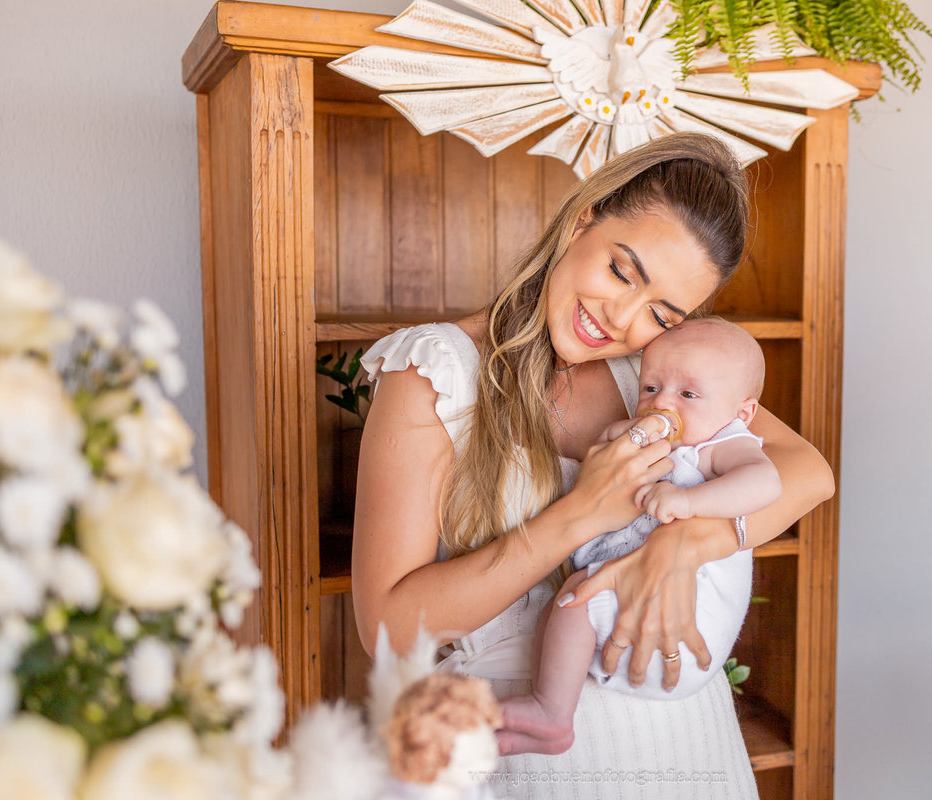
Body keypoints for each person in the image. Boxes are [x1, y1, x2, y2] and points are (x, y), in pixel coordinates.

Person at [352, 132, 835, 799]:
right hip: (525, 763)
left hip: (689, 747)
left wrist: (683, 543)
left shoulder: (658, 375)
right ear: (584, 218)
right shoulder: (434, 373)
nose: (621, 319)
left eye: (663, 312)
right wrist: (581, 515)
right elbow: (388, 632)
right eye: (621, 271)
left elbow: (809, 471)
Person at [498, 317, 782, 756]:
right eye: (650, 388)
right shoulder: (655, 437)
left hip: (688, 622)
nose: (661, 403)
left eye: (687, 394)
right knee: (575, 597)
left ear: (740, 411)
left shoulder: (723, 443)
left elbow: (766, 484)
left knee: (578, 596)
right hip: (638, 613)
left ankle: (551, 710)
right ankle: (555, 706)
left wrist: (690, 504)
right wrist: (616, 441)